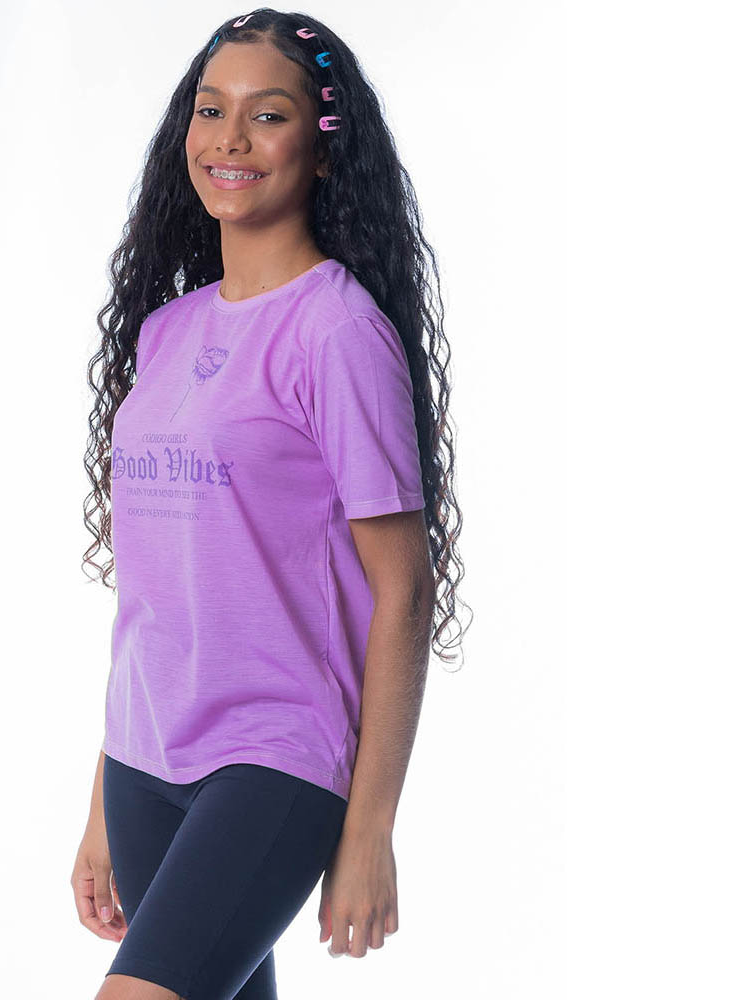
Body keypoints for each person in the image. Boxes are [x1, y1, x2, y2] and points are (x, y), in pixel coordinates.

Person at [71, 9, 470, 1000]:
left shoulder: (336, 331)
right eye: (211, 111)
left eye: (268, 114)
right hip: (144, 759)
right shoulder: (166, 332)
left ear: (323, 150)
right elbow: (153, 596)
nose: (231, 139)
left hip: (274, 759)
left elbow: (404, 588)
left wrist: (369, 826)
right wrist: (99, 798)